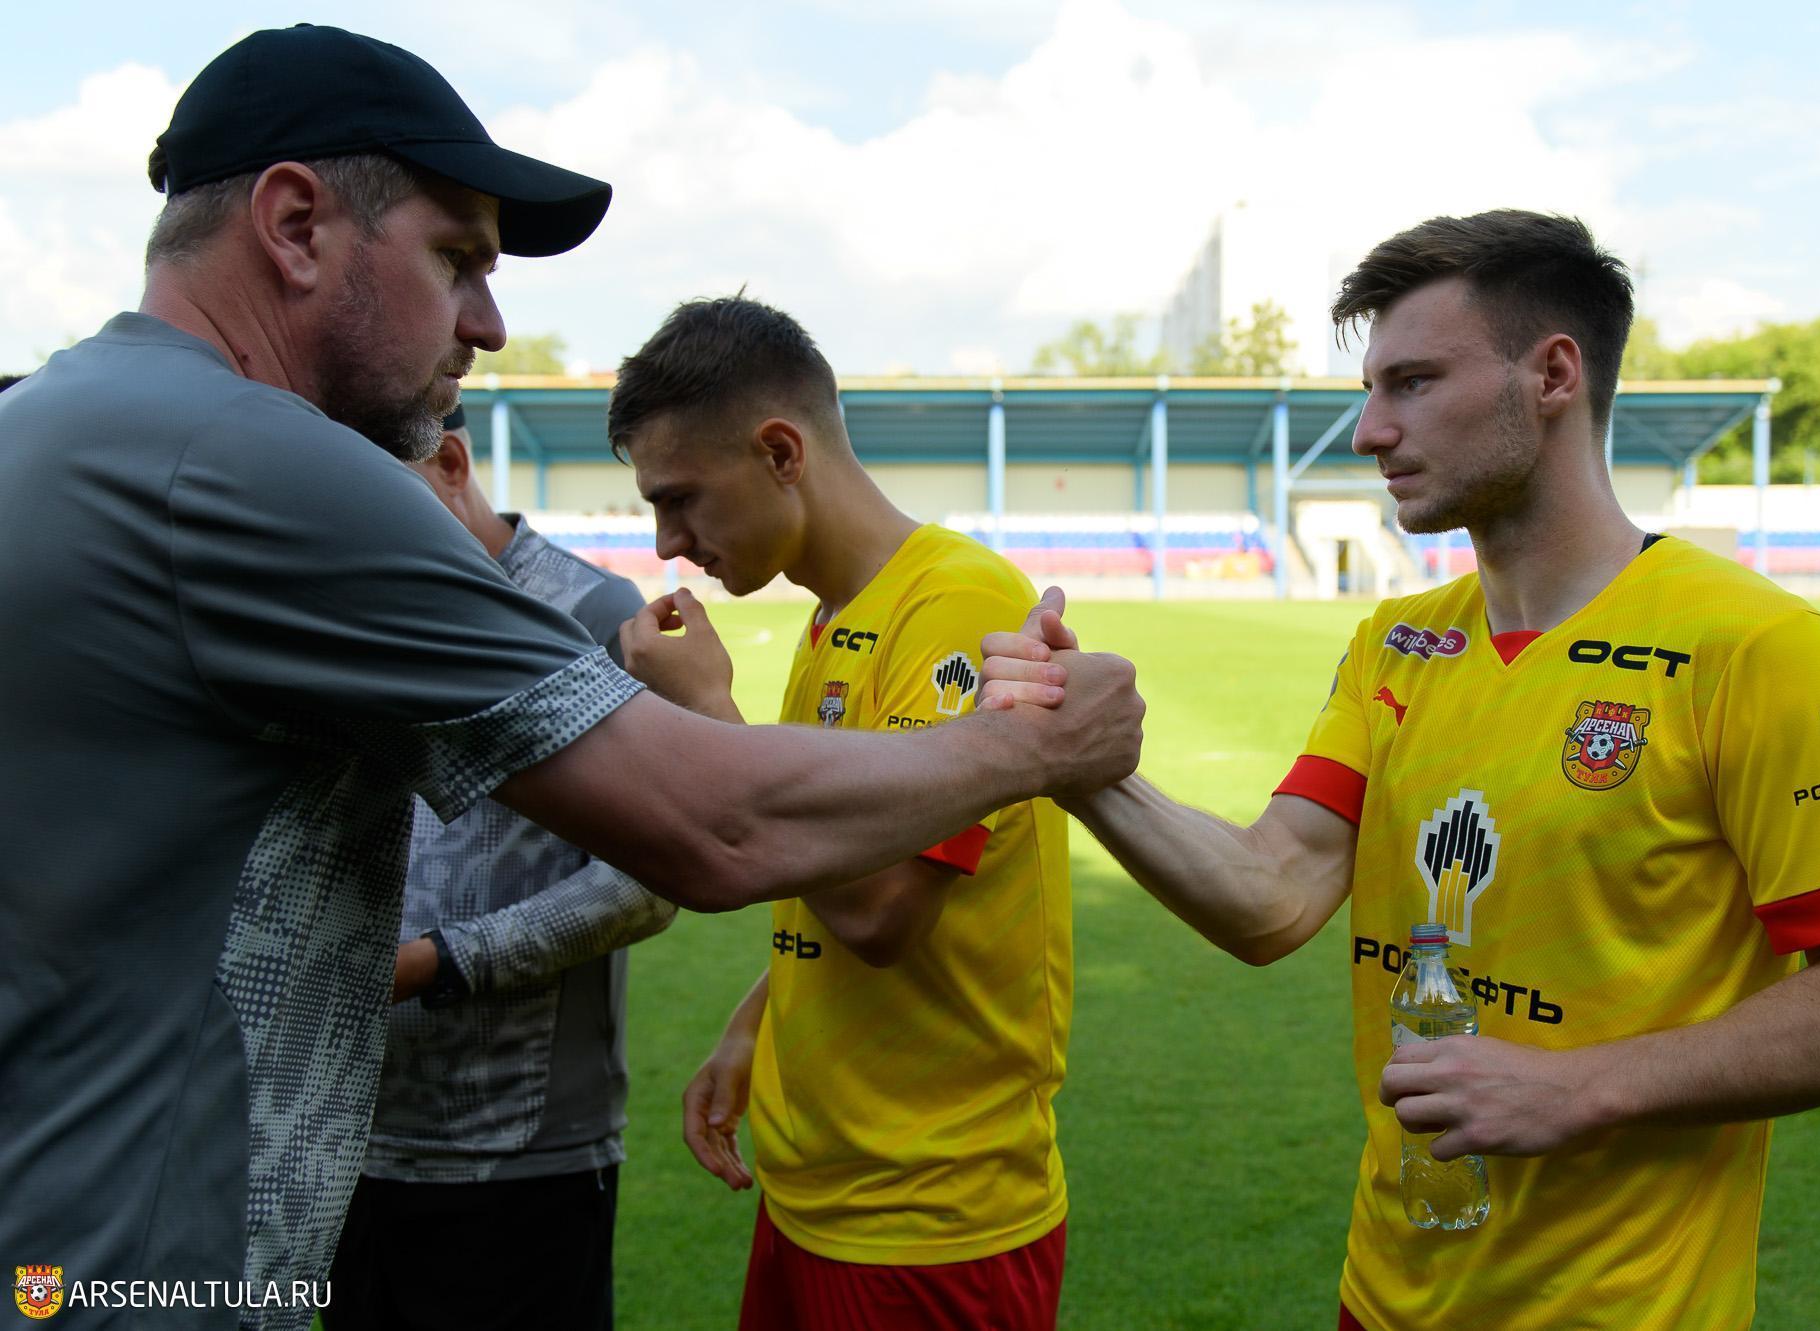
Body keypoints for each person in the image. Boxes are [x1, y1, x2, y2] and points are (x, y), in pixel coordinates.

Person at [0, 25, 1140, 1331]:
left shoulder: (48, 425)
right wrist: (1041, 745)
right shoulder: (255, 465)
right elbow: (717, 823)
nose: (488, 323)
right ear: (296, 225)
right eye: (457, 258)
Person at [978, 210, 1820, 1330]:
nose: (1368, 431)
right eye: (1370, 390)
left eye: (1412, 383)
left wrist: (1578, 1085)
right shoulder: (1396, 642)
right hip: (1382, 1295)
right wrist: (1081, 764)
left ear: (1552, 376)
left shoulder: (1755, 648)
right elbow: (1271, 892)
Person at [606, 296, 1071, 1331]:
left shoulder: (956, 607)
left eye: (679, 499)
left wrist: (708, 708)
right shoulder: (835, 618)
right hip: (816, 1185)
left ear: (780, 452)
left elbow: (881, 908)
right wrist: (755, 1021)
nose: (670, 541)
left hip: (929, 1216)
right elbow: (832, 869)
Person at [323, 408, 675, 1331]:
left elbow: (648, 880)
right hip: (339, 1130)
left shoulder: (591, 615)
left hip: (517, 1153)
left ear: (450, 462)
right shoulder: (344, 611)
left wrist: (437, 961)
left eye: (372, 498)